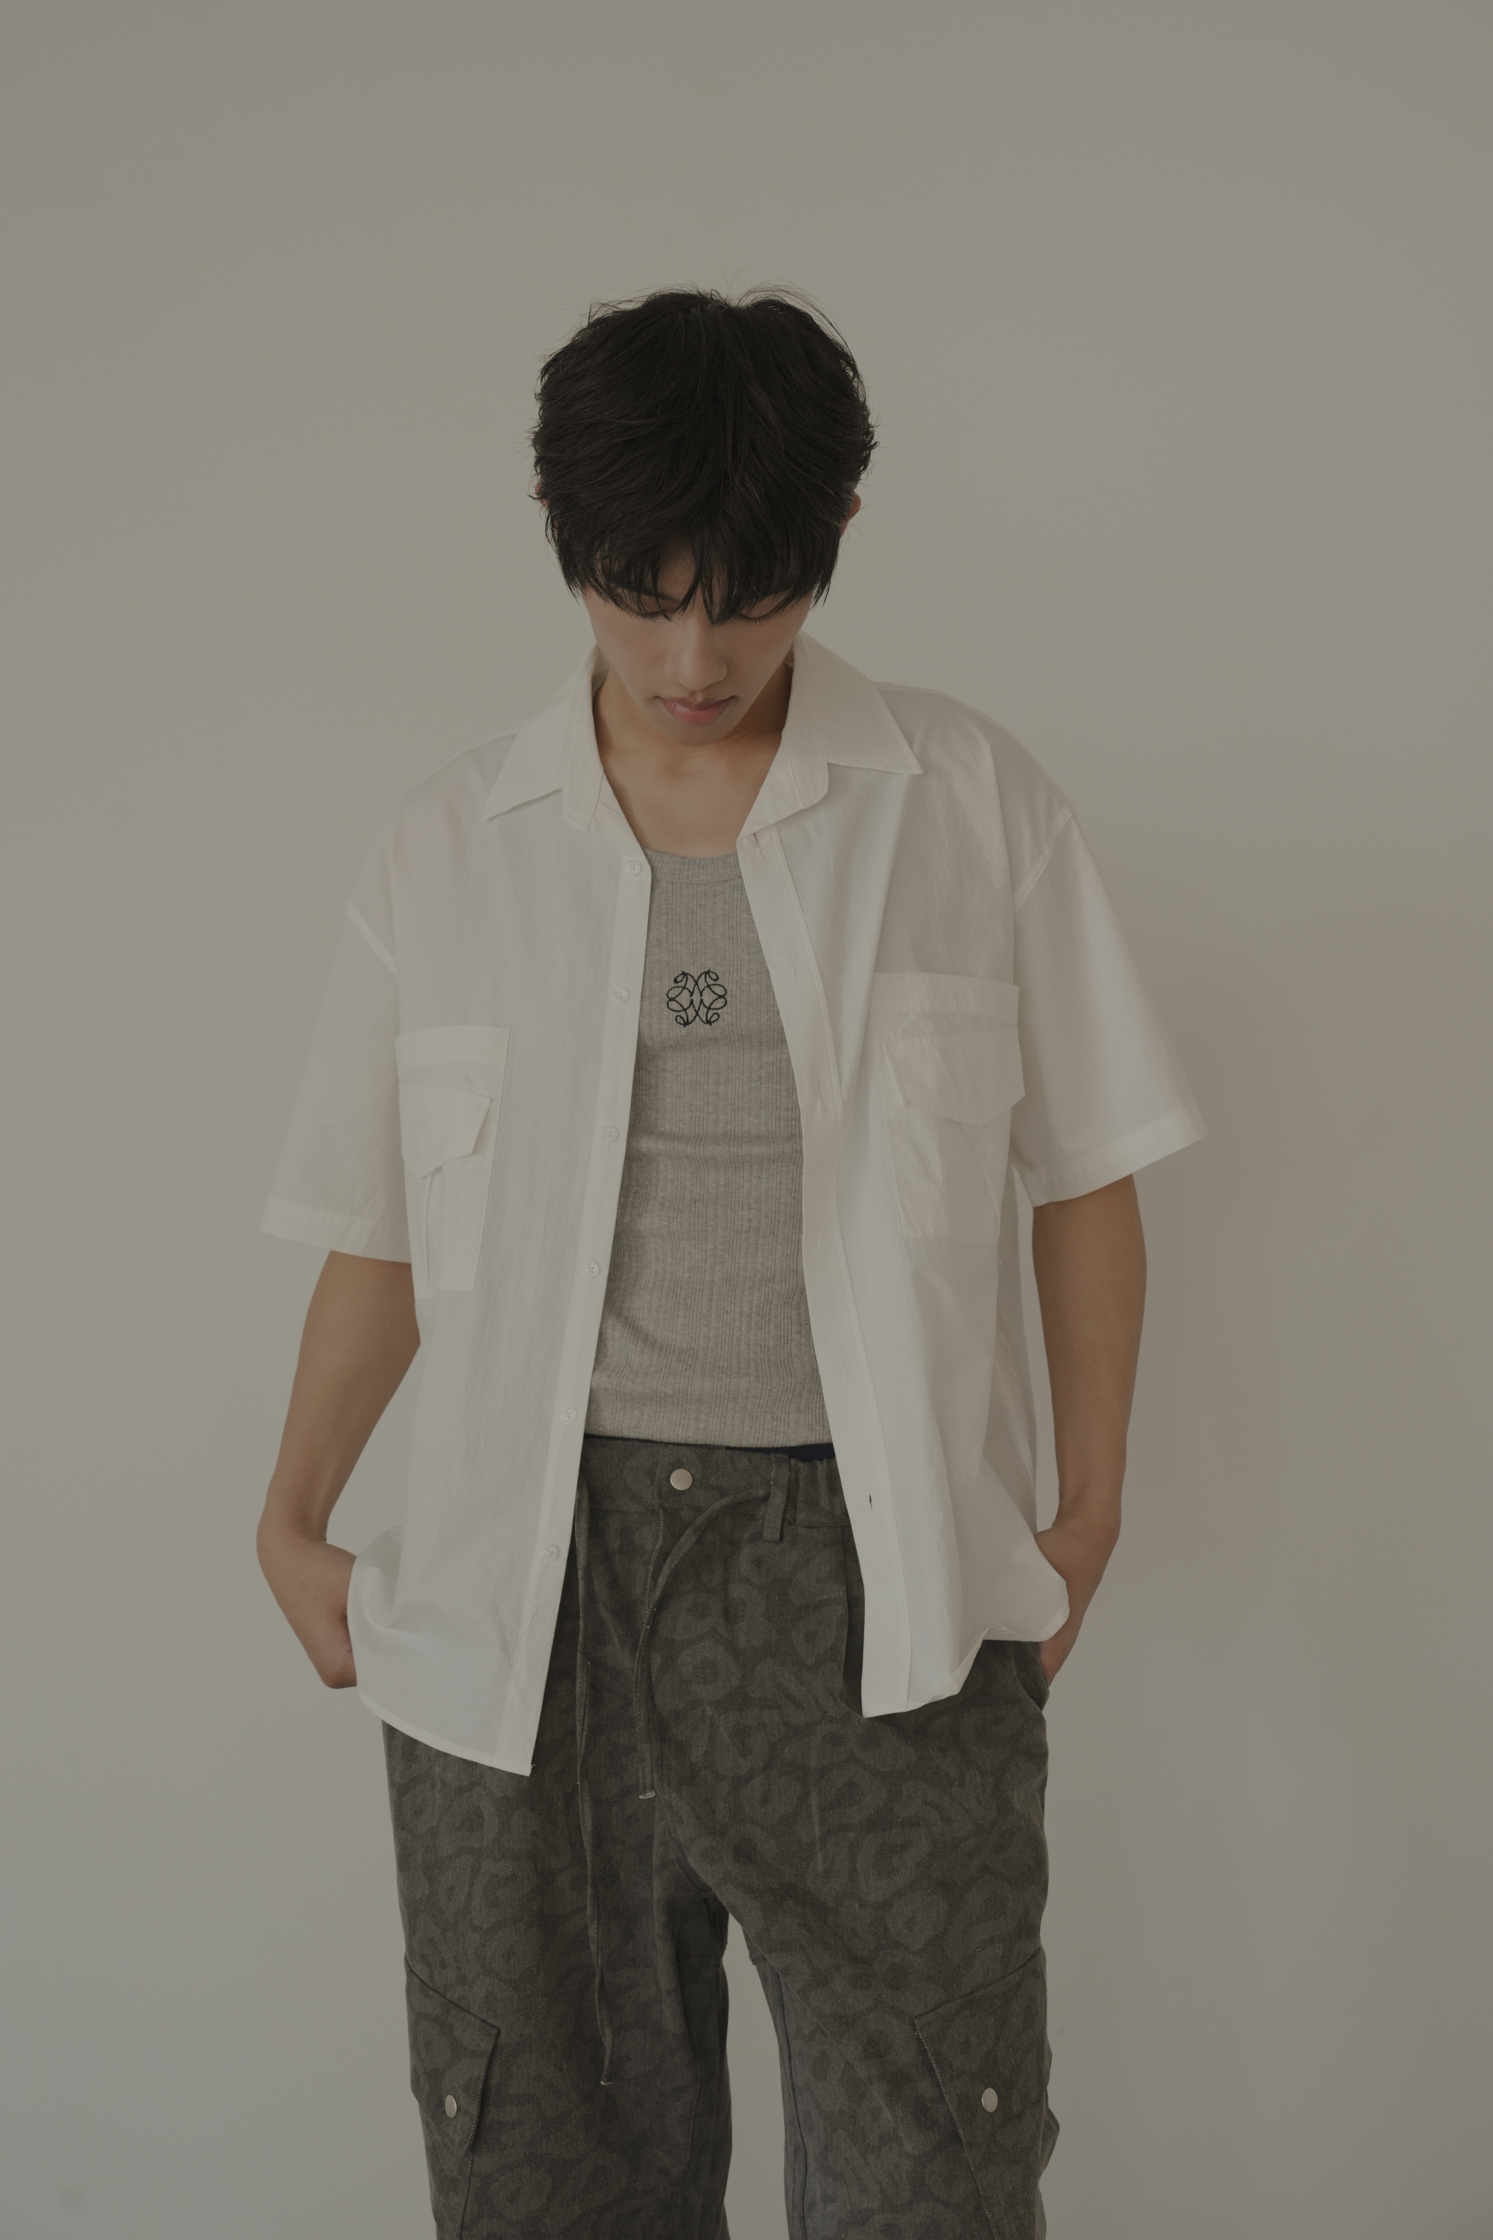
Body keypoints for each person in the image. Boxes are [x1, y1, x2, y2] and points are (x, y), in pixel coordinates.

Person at [256, 285, 1204, 2240]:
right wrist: (292, 1511)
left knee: (934, 2172)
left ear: (834, 537)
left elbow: (1087, 1168)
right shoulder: (449, 851)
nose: (694, 659)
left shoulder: (967, 805)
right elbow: (388, 1223)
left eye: (752, 600)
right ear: (563, 537)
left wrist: (1090, 1504)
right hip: (530, 1591)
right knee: (546, 2175)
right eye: (641, 597)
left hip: (878, 1580)